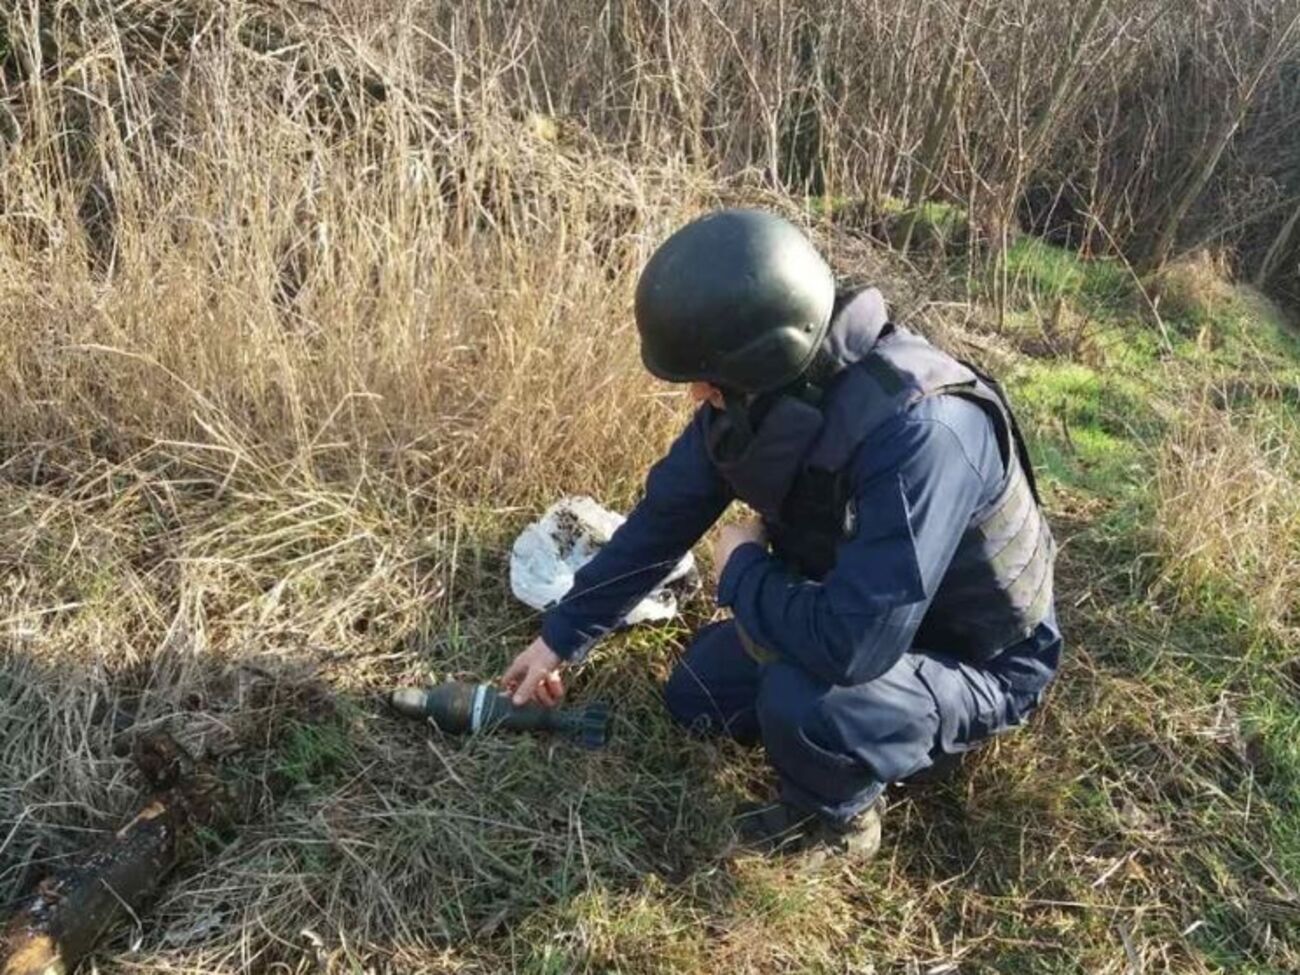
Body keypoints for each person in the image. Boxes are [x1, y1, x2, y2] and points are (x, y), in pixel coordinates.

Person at [502, 209, 1061, 857]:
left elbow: (854, 648)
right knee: (698, 692)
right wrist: (560, 636)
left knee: (809, 702)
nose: (695, 397)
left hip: (977, 658)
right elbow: (664, 518)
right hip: (861, 603)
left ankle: (838, 818)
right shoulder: (762, 394)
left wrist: (741, 571)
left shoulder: (923, 431)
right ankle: (845, 724)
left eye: (706, 381)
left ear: (760, 358)